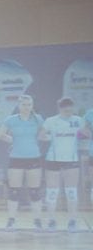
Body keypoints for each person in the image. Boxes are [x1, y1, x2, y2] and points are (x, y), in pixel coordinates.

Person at [0, 95, 44, 230]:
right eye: (24, 105)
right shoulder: (11, 120)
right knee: (14, 191)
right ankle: (11, 221)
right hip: (16, 158)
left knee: (34, 191)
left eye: (29, 105)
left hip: (33, 157)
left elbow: (43, 134)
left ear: (32, 106)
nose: (26, 107)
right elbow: (1, 134)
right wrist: (12, 141)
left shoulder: (38, 119)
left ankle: (37, 221)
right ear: (19, 106)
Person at [40, 97, 83, 232]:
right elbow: (41, 135)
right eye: (65, 109)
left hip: (71, 160)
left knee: (71, 192)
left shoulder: (79, 120)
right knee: (52, 192)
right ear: (60, 108)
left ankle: (72, 221)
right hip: (53, 160)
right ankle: (51, 221)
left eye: (70, 109)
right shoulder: (51, 121)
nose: (68, 111)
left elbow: (84, 134)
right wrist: (50, 137)